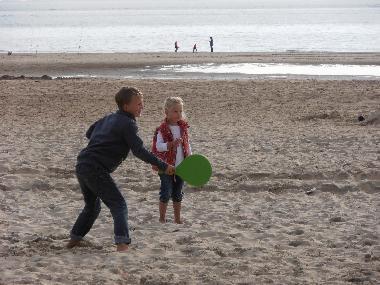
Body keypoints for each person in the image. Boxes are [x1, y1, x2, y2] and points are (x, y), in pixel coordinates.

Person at [66, 87, 175, 252]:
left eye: (142, 103)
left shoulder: (109, 117)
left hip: (82, 163)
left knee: (92, 206)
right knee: (119, 204)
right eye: (138, 104)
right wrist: (164, 165)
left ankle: (74, 240)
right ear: (126, 106)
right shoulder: (128, 124)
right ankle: (122, 245)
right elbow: (139, 151)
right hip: (96, 168)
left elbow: (90, 133)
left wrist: (108, 139)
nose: (142, 107)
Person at [151, 97, 192, 224]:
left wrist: (190, 157)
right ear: (166, 112)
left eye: (180, 111)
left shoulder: (183, 128)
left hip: (181, 167)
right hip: (166, 167)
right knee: (166, 192)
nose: (179, 114)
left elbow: (187, 144)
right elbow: (158, 146)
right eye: (175, 111)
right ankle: (162, 218)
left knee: (178, 193)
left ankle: (177, 219)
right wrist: (171, 144)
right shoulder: (162, 129)